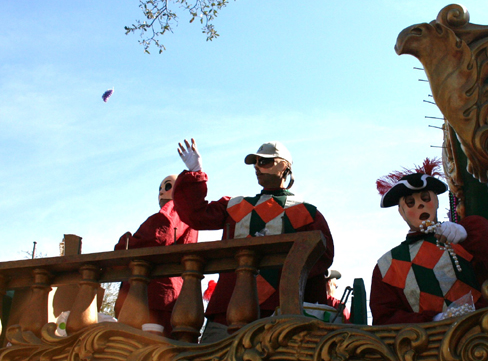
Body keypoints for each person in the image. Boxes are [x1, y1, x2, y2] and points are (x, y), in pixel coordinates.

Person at [173, 139, 334, 339]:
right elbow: (195, 215)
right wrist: (195, 171)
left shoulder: (307, 213)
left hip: (280, 316)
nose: (257, 167)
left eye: (265, 161)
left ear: (284, 166)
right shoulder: (235, 205)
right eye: (255, 163)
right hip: (226, 314)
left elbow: (322, 258)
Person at [370, 160, 488, 325]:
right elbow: (384, 320)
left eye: (425, 198)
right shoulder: (387, 265)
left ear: (436, 202)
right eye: (410, 202)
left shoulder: (466, 237)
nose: (420, 204)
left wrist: (467, 233)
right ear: (401, 211)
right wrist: (434, 321)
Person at [114, 175, 198, 336]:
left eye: (167, 186)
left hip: (155, 295)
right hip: (167, 296)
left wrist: (125, 243)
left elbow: (158, 235)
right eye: (159, 188)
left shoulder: (176, 209)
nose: (161, 192)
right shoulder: (188, 216)